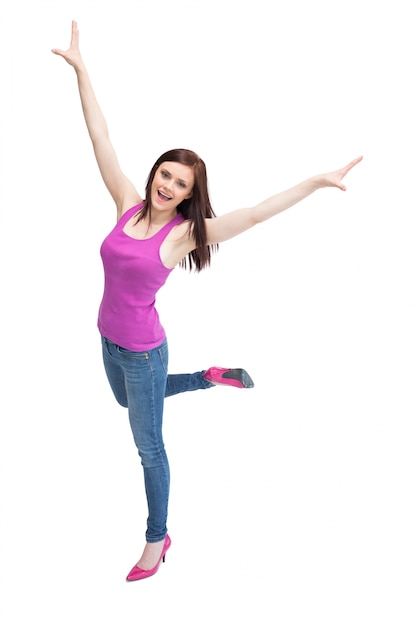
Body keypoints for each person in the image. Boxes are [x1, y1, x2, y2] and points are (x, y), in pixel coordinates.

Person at [52, 21, 362, 582]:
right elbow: (100, 138)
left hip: (145, 351)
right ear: (154, 174)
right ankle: (208, 376)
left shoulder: (185, 236)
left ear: (192, 197)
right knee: (127, 403)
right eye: (165, 174)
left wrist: (314, 182)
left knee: (149, 448)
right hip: (107, 339)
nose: (167, 186)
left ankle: (157, 538)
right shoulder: (126, 201)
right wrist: (82, 71)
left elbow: (256, 213)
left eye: (180, 185)